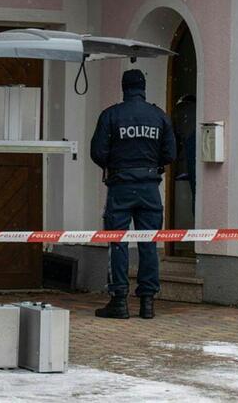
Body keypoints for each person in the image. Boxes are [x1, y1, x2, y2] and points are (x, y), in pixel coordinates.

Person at [90, 69, 176, 319]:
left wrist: (118, 163)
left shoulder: (111, 115)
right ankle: (147, 302)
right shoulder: (159, 115)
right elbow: (170, 154)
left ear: (124, 87)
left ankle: (119, 300)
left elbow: (97, 152)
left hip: (121, 185)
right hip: (150, 187)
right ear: (144, 87)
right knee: (149, 243)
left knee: (118, 242)